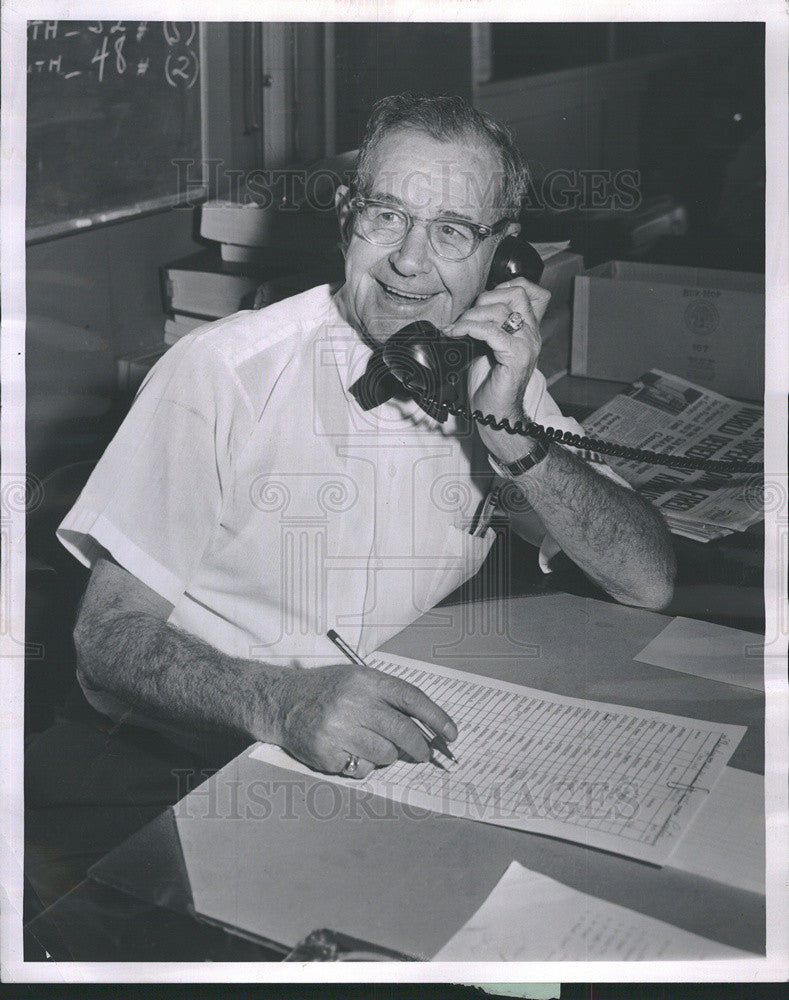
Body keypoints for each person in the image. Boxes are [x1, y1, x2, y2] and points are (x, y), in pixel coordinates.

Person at [58, 94, 675, 782]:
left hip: (379, 737)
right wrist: (278, 703)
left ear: (502, 250)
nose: (408, 262)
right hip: (193, 749)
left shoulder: (488, 369)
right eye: (388, 217)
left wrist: (516, 442)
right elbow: (105, 640)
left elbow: (644, 580)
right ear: (349, 216)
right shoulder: (219, 373)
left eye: (451, 231)